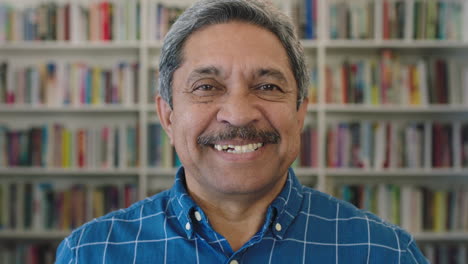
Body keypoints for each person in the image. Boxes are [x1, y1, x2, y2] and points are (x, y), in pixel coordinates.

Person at [55, 0, 428, 263]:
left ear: (300, 114)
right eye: (206, 87)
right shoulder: (90, 253)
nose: (238, 114)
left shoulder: (384, 252)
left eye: (267, 87)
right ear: (167, 117)